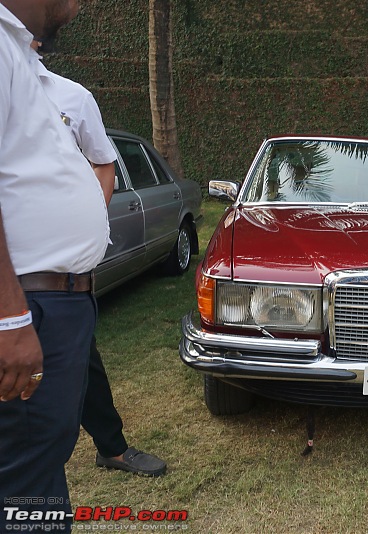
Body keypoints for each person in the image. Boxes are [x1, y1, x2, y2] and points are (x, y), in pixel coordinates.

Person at [32, 39, 168, 478]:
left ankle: (110, 446)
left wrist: (90, 223)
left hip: (56, 276)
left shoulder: (71, 97)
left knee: (80, 363)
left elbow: (103, 162)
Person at [0, 0, 108, 531]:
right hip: (26, 303)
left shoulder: (16, 54)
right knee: (22, 466)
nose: (78, 6)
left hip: (53, 301)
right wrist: (9, 318)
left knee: (40, 456)